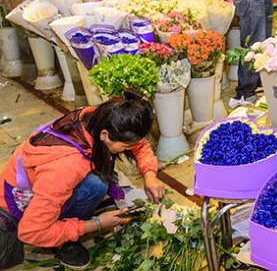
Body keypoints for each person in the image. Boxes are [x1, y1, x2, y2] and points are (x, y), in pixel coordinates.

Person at [0, 89, 164, 270]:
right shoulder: (66, 167)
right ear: (105, 136)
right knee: (96, 185)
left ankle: (69, 219)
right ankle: (63, 241)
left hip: (43, 182)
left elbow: (138, 143)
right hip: (21, 207)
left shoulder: (97, 117)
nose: (130, 148)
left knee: (97, 181)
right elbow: (30, 232)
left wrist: (149, 175)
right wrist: (96, 224)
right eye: (126, 146)